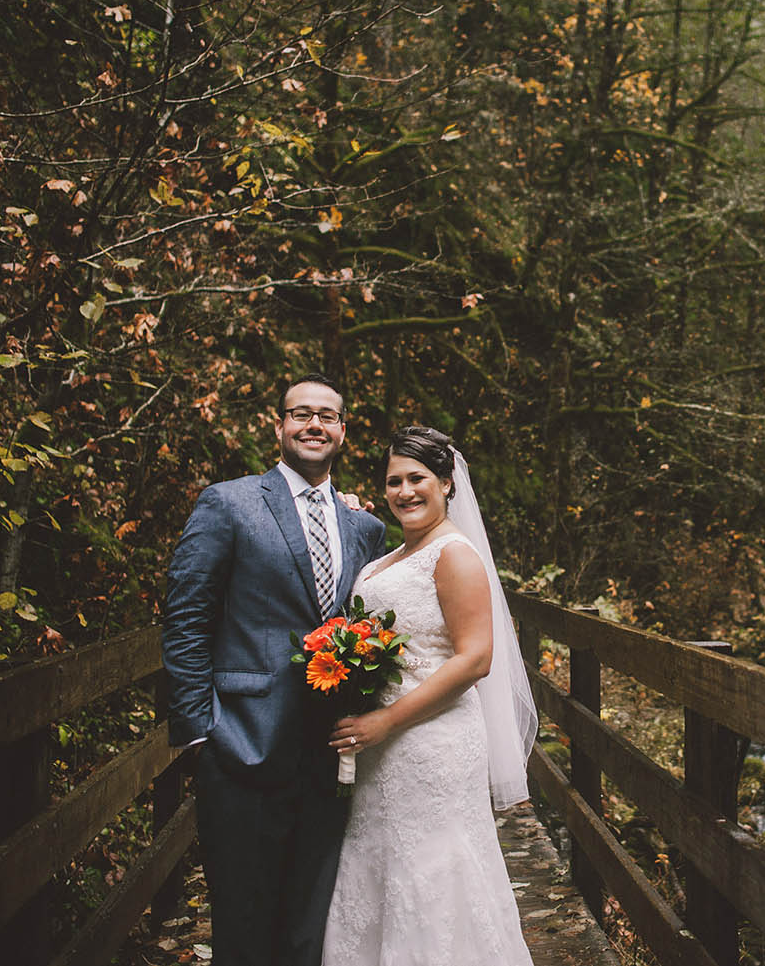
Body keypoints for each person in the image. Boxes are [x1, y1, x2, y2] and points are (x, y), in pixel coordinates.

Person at [162, 373, 387, 966]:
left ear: (343, 429)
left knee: (309, 928)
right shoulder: (229, 503)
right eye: (301, 413)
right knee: (242, 924)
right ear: (279, 424)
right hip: (240, 745)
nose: (314, 424)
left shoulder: (364, 527)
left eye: (327, 416)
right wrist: (196, 732)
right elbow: (187, 615)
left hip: (330, 756)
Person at [322, 426, 538, 966]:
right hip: (380, 750)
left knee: (435, 872)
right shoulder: (386, 559)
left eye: (417, 478)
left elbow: (475, 658)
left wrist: (388, 721)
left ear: (446, 484)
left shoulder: (455, 555)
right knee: (384, 865)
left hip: (432, 742)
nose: (405, 491)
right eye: (393, 481)